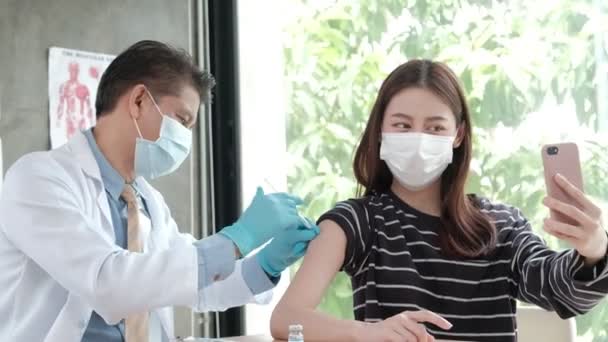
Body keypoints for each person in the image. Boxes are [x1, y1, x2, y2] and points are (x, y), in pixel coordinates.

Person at [0, 40, 319, 342]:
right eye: (182, 120)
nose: (185, 139)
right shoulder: (37, 179)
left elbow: (194, 284)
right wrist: (235, 239)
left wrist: (265, 264)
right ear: (138, 100)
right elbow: (107, 282)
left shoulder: (146, 201)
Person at [270, 60, 608, 342]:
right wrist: (369, 333)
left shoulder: (501, 225)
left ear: (458, 134)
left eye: (434, 128)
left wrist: (594, 250)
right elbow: (286, 319)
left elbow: (563, 293)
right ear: (380, 131)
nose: (417, 139)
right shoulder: (357, 221)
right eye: (402, 125)